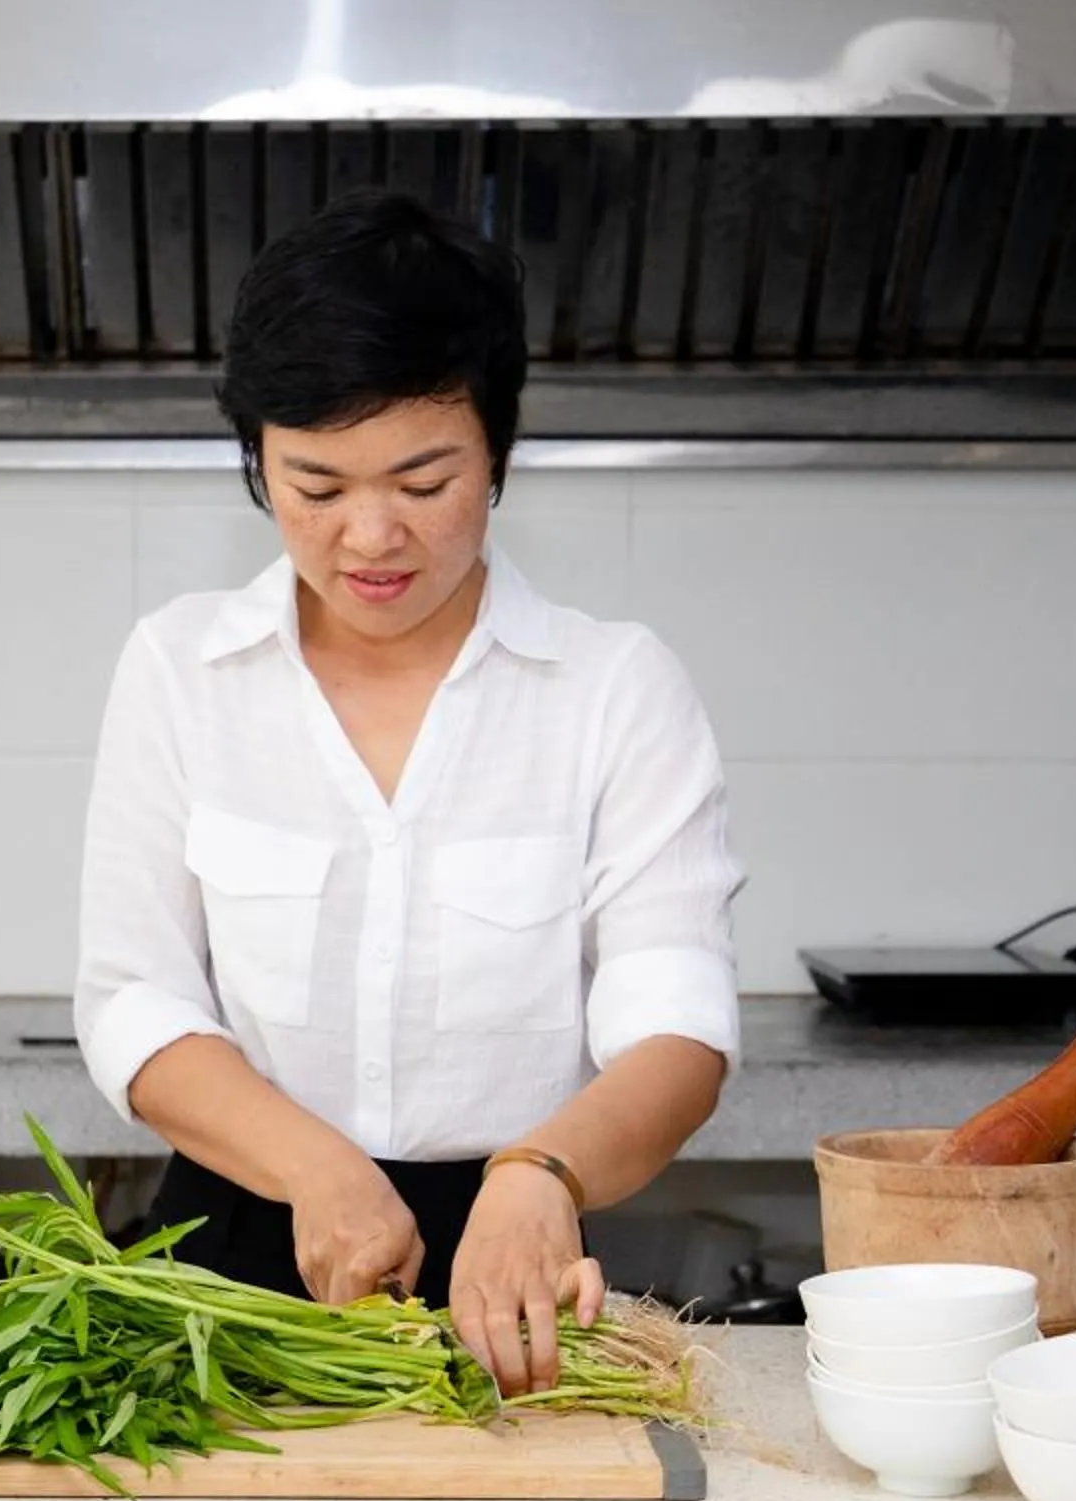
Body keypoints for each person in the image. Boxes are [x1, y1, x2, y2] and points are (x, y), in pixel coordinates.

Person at [72, 188, 743, 1396]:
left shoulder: (614, 688)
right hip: (230, 1262)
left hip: (521, 1263)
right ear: (255, 462)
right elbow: (133, 998)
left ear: (499, 451)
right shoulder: (181, 670)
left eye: (423, 483)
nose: (370, 536)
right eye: (316, 488)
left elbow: (678, 1026)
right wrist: (318, 1170)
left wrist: (543, 1174)